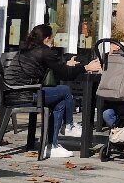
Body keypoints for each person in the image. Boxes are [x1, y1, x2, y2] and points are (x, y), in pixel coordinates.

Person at [7, 24, 81, 158]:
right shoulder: (43, 51)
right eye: (52, 38)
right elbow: (66, 74)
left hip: (12, 94)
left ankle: (52, 145)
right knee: (65, 90)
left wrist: (65, 63)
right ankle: (68, 126)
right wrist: (85, 67)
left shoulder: (25, 49)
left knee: (60, 102)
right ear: (47, 38)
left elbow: (55, 64)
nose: (53, 41)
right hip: (26, 95)